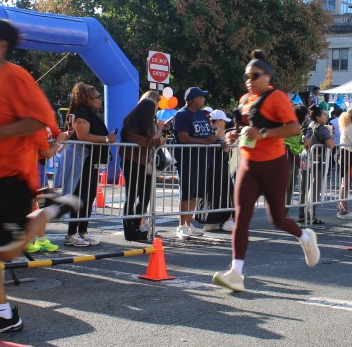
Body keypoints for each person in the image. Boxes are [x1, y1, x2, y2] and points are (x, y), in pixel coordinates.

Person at [0, 17, 78, 335]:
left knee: (5, 251)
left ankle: (52, 208)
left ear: (1, 45)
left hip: (11, 176)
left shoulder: (15, 76)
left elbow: (40, 119)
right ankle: (3, 314)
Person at [211, 51, 320, 292]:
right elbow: (244, 129)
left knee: (277, 219)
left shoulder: (277, 97)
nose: (249, 80)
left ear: (267, 77)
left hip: (273, 165)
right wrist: (233, 134)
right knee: (241, 218)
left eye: (254, 75)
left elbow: (294, 128)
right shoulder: (244, 100)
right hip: (248, 165)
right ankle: (236, 273)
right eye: (246, 76)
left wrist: (263, 133)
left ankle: (305, 237)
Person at [64, 82, 116, 247]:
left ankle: (83, 231)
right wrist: (106, 139)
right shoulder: (82, 112)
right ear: (88, 98)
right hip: (83, 158)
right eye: (97, 97)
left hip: (91, 158)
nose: (100, 100)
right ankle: (72, 233)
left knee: (89, 195)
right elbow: (82, 136)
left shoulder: (88, 113)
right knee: (80, 195)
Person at [173, 87, 222, 238]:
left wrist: (216, 141)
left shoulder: (201, 114)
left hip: (202, 159)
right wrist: (205, 142)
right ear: (195, 100)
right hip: (187, 159)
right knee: (186, 193)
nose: (204, 100)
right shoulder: (182, 114)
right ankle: (181, 225)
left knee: (194, 193)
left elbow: (207, 134)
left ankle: (189, 223)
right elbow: (183, 137)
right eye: (202, 97)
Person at [119, 96, 164, 242]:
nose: (155, 112)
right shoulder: (131, 123)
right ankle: (129, 231)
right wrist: (156, 140)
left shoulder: (147, 123)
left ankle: (137, 226)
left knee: (145, 196)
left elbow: (149, 140)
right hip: (131, 161)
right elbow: (139, 140)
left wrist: (158, 135)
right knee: (131, 196)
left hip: (144, 163)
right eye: (153, 110)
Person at [302, 105, 334, 225]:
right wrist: (330, 137)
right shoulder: (322, 128)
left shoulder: (309, 125)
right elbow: (331, 145)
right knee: (315, 189)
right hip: (318, 160)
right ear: (318, 117)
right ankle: (311, 216)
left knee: (305, 188)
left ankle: (302, 215)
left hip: (306, 159)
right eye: (324, 114)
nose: (326, 116)